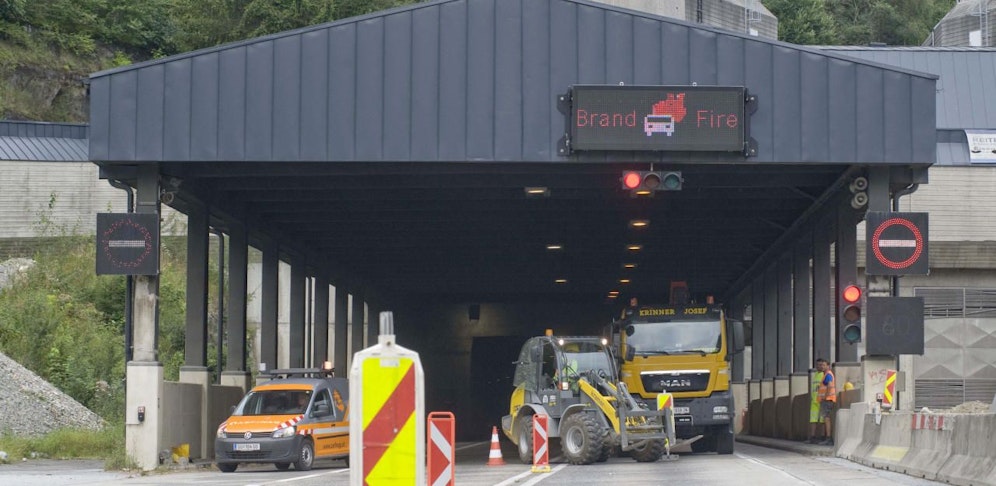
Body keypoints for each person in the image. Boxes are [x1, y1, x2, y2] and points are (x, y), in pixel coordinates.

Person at [815, 358, 836, 446]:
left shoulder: (828, 375)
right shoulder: (826, 374)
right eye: (819, 365)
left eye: (823, 365)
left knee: (826, 419)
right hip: (827, 399)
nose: (821, 367)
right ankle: (825, 437)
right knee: (825, 418)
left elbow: (830, 385)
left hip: (827, 400)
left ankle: (828, 438)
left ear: (828, 366)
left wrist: (825, 396)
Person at [807, 363, 825, 443]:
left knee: (822, 420)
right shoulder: (816, 375)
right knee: (813, 420)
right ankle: (812, 437)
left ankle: (822, 437)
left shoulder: (825, 375)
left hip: (821, 400)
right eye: (818, 365)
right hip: (814, 401)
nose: (819, 366)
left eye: (821, 365)